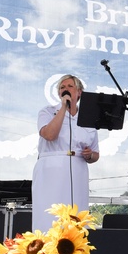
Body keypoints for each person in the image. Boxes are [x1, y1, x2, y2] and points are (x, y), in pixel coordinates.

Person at [32, 74, 101, 232]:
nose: (65, 89)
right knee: (49, 218)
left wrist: (89, 155)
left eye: (70, 86)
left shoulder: (88, 119)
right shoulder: (48, 112)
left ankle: (73, 252)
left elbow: (96, 154)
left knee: (76, 216)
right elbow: (49, 135)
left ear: (79, 92)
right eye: (62, 87)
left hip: (78, 171)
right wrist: (64, 107)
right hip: (50, 170)